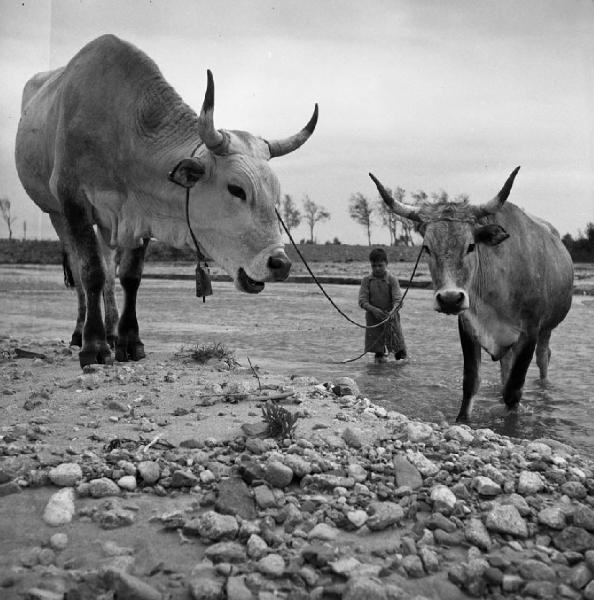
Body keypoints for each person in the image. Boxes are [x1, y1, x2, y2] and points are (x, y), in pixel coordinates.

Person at [358, 247, 407, 363]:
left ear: (386, 264)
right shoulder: (366, 280)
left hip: (390, 318)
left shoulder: (392, 280)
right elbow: (362, 301)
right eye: (374, 266)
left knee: (399, 351)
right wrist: (373, 310)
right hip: (373, 319)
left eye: (380, 265)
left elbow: (398, 300)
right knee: (378, 351)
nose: (377, 269)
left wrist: (393, 311)